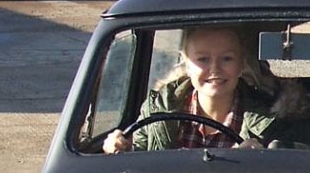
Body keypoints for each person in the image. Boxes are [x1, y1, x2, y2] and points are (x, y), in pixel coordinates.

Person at [102, 25, 281, 153]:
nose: (215, 69)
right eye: (203, 59)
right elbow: (138, 164)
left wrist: (259, 160)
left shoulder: (269, 117)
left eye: (227, 58)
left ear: (242, 63)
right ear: (186, 63)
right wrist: (118, 147)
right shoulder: (157, 109)